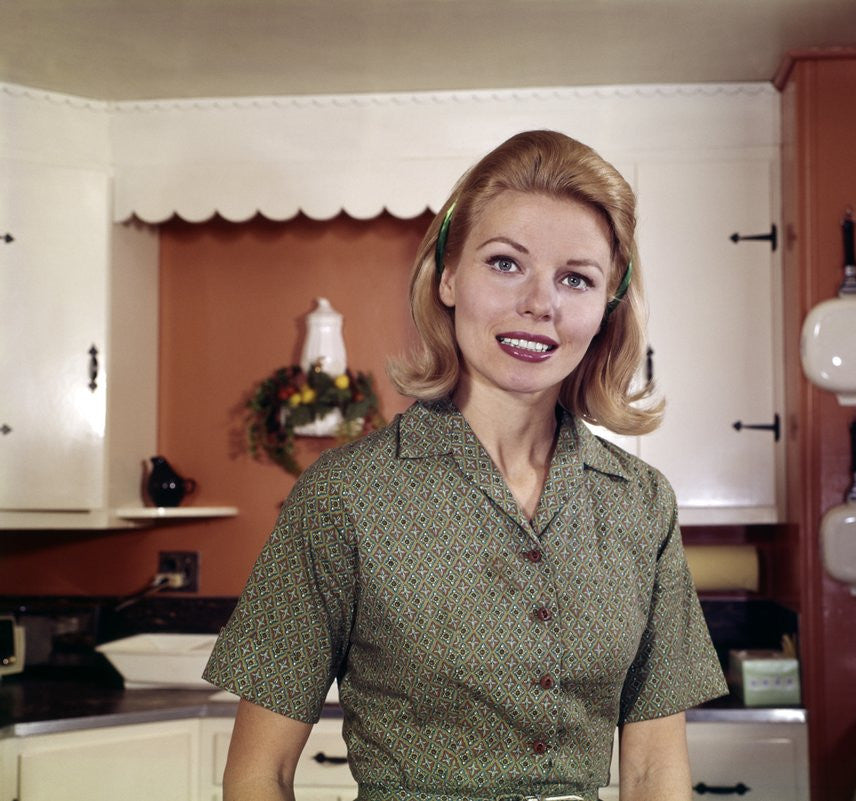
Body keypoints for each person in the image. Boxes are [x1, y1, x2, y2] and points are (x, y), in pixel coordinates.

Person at [204, 129, 727, 801]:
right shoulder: (346, 496)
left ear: (605, 309)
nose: (542, 302)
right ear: (448, 277)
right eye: (506, 263)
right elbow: (257, 774)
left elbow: (656, 771)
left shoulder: (641, 504)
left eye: (577, 278)